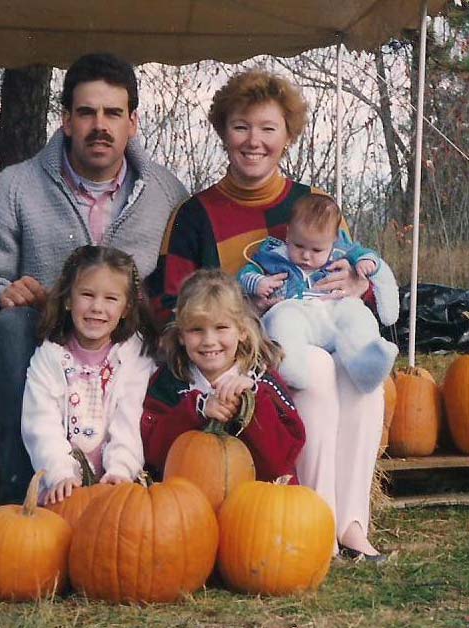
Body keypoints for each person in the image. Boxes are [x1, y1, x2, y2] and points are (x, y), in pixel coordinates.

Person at [150, 69, 386, 560]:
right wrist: (237, 313)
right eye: (241, 127)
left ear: (288, 136)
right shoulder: (196, 214)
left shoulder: (312, 206)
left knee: (361, 373)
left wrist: (361, 285)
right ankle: (316, 520)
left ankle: (353, 524)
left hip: (321, 328)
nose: (253, 141)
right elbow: (170, 305)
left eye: (268, 128)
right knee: (317, 368)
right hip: (245, 356)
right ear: (223, 133)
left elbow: (353, 284)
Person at [0, 53, 188, 503]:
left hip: (129, 352)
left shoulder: (165, 193)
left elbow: (186, 279)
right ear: (65, 120)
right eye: (87, 112)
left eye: (113, 113)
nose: (100, 125)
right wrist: (3, 296)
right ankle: (23, 494)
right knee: (13, 324)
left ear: (132, 122)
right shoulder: (16, 187)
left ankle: (142, 486)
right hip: (47, 346)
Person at [21, 245, 157, 504]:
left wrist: (121, 469)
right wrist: (59, 473)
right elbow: (40, 424)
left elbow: (130, 419)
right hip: (63, 488)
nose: (97, 307)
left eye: (110, 299)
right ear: (68, 300)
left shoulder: (133, 358)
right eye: (87, 294)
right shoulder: (49, 357)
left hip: (117, 487)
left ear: (126, 307)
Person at [141, 269, 305, 482]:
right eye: (196, 330)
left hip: (252, 499)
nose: (209, 340)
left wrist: (250, 404)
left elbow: (281, 461)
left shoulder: (261, 380)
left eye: (221, 328)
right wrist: (197, 410)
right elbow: (154, 454)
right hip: (187, 498)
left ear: (242, 330)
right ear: (181, 335)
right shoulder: (169, 381)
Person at [238, 193, 399, 393]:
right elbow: (247, 273)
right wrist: (258, 282)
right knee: (282, 319)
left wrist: (367, 263)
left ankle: (365, 364)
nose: (306, 256)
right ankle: (291, 368)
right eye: (298, 246)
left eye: (317, 250)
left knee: (357, 315)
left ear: (333, 242)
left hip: (334, 308)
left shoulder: (342, 253)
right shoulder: (273, 254)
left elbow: (367, 256)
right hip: (295, 308)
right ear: (288, 234)